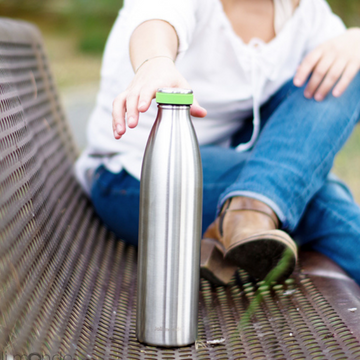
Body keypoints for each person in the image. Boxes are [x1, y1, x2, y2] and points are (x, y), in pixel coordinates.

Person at [75, 0, 360, 285]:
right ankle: (251, 210)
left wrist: (354, 39)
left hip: (229, 160)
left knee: (346, 67)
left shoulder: (304, 11)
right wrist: (155, 62)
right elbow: (156, 17)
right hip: (139, 177)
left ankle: (247, 211)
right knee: (309, 193)